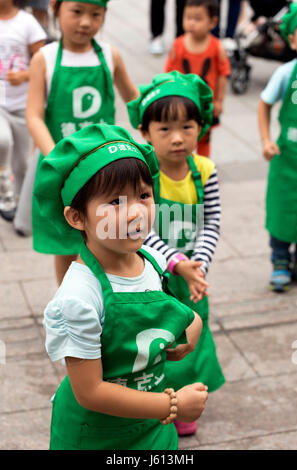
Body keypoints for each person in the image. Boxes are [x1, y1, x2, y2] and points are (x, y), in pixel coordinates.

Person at [35, 123, 208, 450]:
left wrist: (191, 326)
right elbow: (90, 391)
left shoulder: (151, 258)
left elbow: (169, 312)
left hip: (153, 427)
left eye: (143, 195)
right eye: (115, 201)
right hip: (99, 434)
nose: (135, 213)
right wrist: (173, 406)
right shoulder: (79, 297)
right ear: (76, 218)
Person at [127, 71, 225, 436]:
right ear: (145, 132)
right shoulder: (142, 176)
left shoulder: (205, 171)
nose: (177, 138)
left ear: (201, 127)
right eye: (164, 129)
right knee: (153, 339)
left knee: (190, 340)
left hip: (191, 279)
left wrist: (198, 264)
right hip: (152, 274)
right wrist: (176, 263)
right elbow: (141, 229)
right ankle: (151, 399)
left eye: (187, 126)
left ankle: (187, 401)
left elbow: (212, 221)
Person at [22, 0, 139, 285]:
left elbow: (136, 102)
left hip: (105, 170)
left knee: (108, 237)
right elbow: (34, 115)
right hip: (62, 172)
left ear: (105, 16)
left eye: (95, 14)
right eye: (77, 12)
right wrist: (57, 159)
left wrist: (160, 122)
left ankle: (109, 302)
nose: (85, 22)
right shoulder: (45, 58)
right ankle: (69, 307)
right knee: (67, 243)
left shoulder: (112, 57)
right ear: (55, 9)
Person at [257, 2, 297, 292]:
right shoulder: (288, 73)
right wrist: (266, 140)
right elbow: (264, 104)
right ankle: (280, 259)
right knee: (282, 210)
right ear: (292, 40)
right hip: (288, 159)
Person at [165, 0, 231, 157]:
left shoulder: (216, 47)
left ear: (213, 22)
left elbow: (223, 74)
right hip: (183, 103)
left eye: (198, 19)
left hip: (206, 105)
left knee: (204, 139)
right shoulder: (178, 45)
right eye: (188, 17)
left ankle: (204, 170)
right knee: (182, 136)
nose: (191, 23)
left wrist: (219, 100)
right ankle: (182, 166)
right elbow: (169, 75)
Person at [0, 0, 46, 222]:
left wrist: (24, 76)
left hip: (22, 104)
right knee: (2, 140)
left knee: (22, 164)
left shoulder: (27, 23)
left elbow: (43, 61)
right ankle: (4, 189)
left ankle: (18, 200)